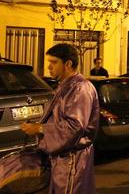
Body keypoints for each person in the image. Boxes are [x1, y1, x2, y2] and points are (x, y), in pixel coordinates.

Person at [20, 43, 99, 193]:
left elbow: (75, 127)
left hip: (72, 160)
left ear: (68, 64)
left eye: (54, 62)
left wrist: (41, 128)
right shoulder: (66, 85)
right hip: (63, 159)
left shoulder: (79, 88)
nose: (49, 67)